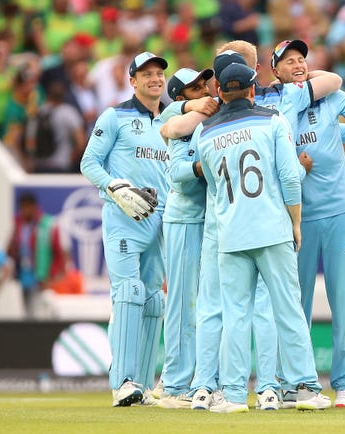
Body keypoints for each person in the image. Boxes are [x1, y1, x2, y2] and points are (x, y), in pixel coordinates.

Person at [195, 62, 330, 413]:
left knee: (235, 315)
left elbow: (211, 183)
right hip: (272, 229)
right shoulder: (273, 120)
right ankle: (304, 389)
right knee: (288, 309)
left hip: (231, 234)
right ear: (254, 89)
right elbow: (289, 176)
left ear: (221, 93)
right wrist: (296, 223)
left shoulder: (204, 133)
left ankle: (235, 395)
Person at [270, 34, 345, 409]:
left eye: (301, 58)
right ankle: (294, 383)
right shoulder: (272, 107)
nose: (297, 64)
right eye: (288, 61)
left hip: (340, 213)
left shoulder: (330, 97)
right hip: (295, 218)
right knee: (294, 305)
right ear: (275, 71)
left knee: (344, 301)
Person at [80, 51, 170, 407]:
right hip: (124, 219)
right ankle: (123, 382)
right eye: (146, 74)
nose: (155, 79)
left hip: (159, 219)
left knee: (153, 300)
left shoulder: (172, 120)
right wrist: (114, 187)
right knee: (129, 291)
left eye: (159, 73)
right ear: (132, 81)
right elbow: (89, 162)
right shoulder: (115, 116)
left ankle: (143, 386)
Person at [156, 66, 218, 409]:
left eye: (205, 83)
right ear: (181, 97)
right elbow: (179, 175)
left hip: (208, 220)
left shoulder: (206, 116)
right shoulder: (178, 122)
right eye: (195, 88)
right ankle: (174, 383)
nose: (205, 90)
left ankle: (200, 379)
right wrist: (204, 167)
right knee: (181, 303)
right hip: (182, 220)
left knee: (206, 304)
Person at [7, 192, 70, 317]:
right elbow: (12, 249)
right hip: (24, 276)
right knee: (27, 314)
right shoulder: (19, 224)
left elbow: (59, 253)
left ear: (33, 207)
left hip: (42, 277)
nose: (24, 211)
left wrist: (52, 276)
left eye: (27, 207)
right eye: (22, 208)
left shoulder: (48, 224)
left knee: (40, 315)